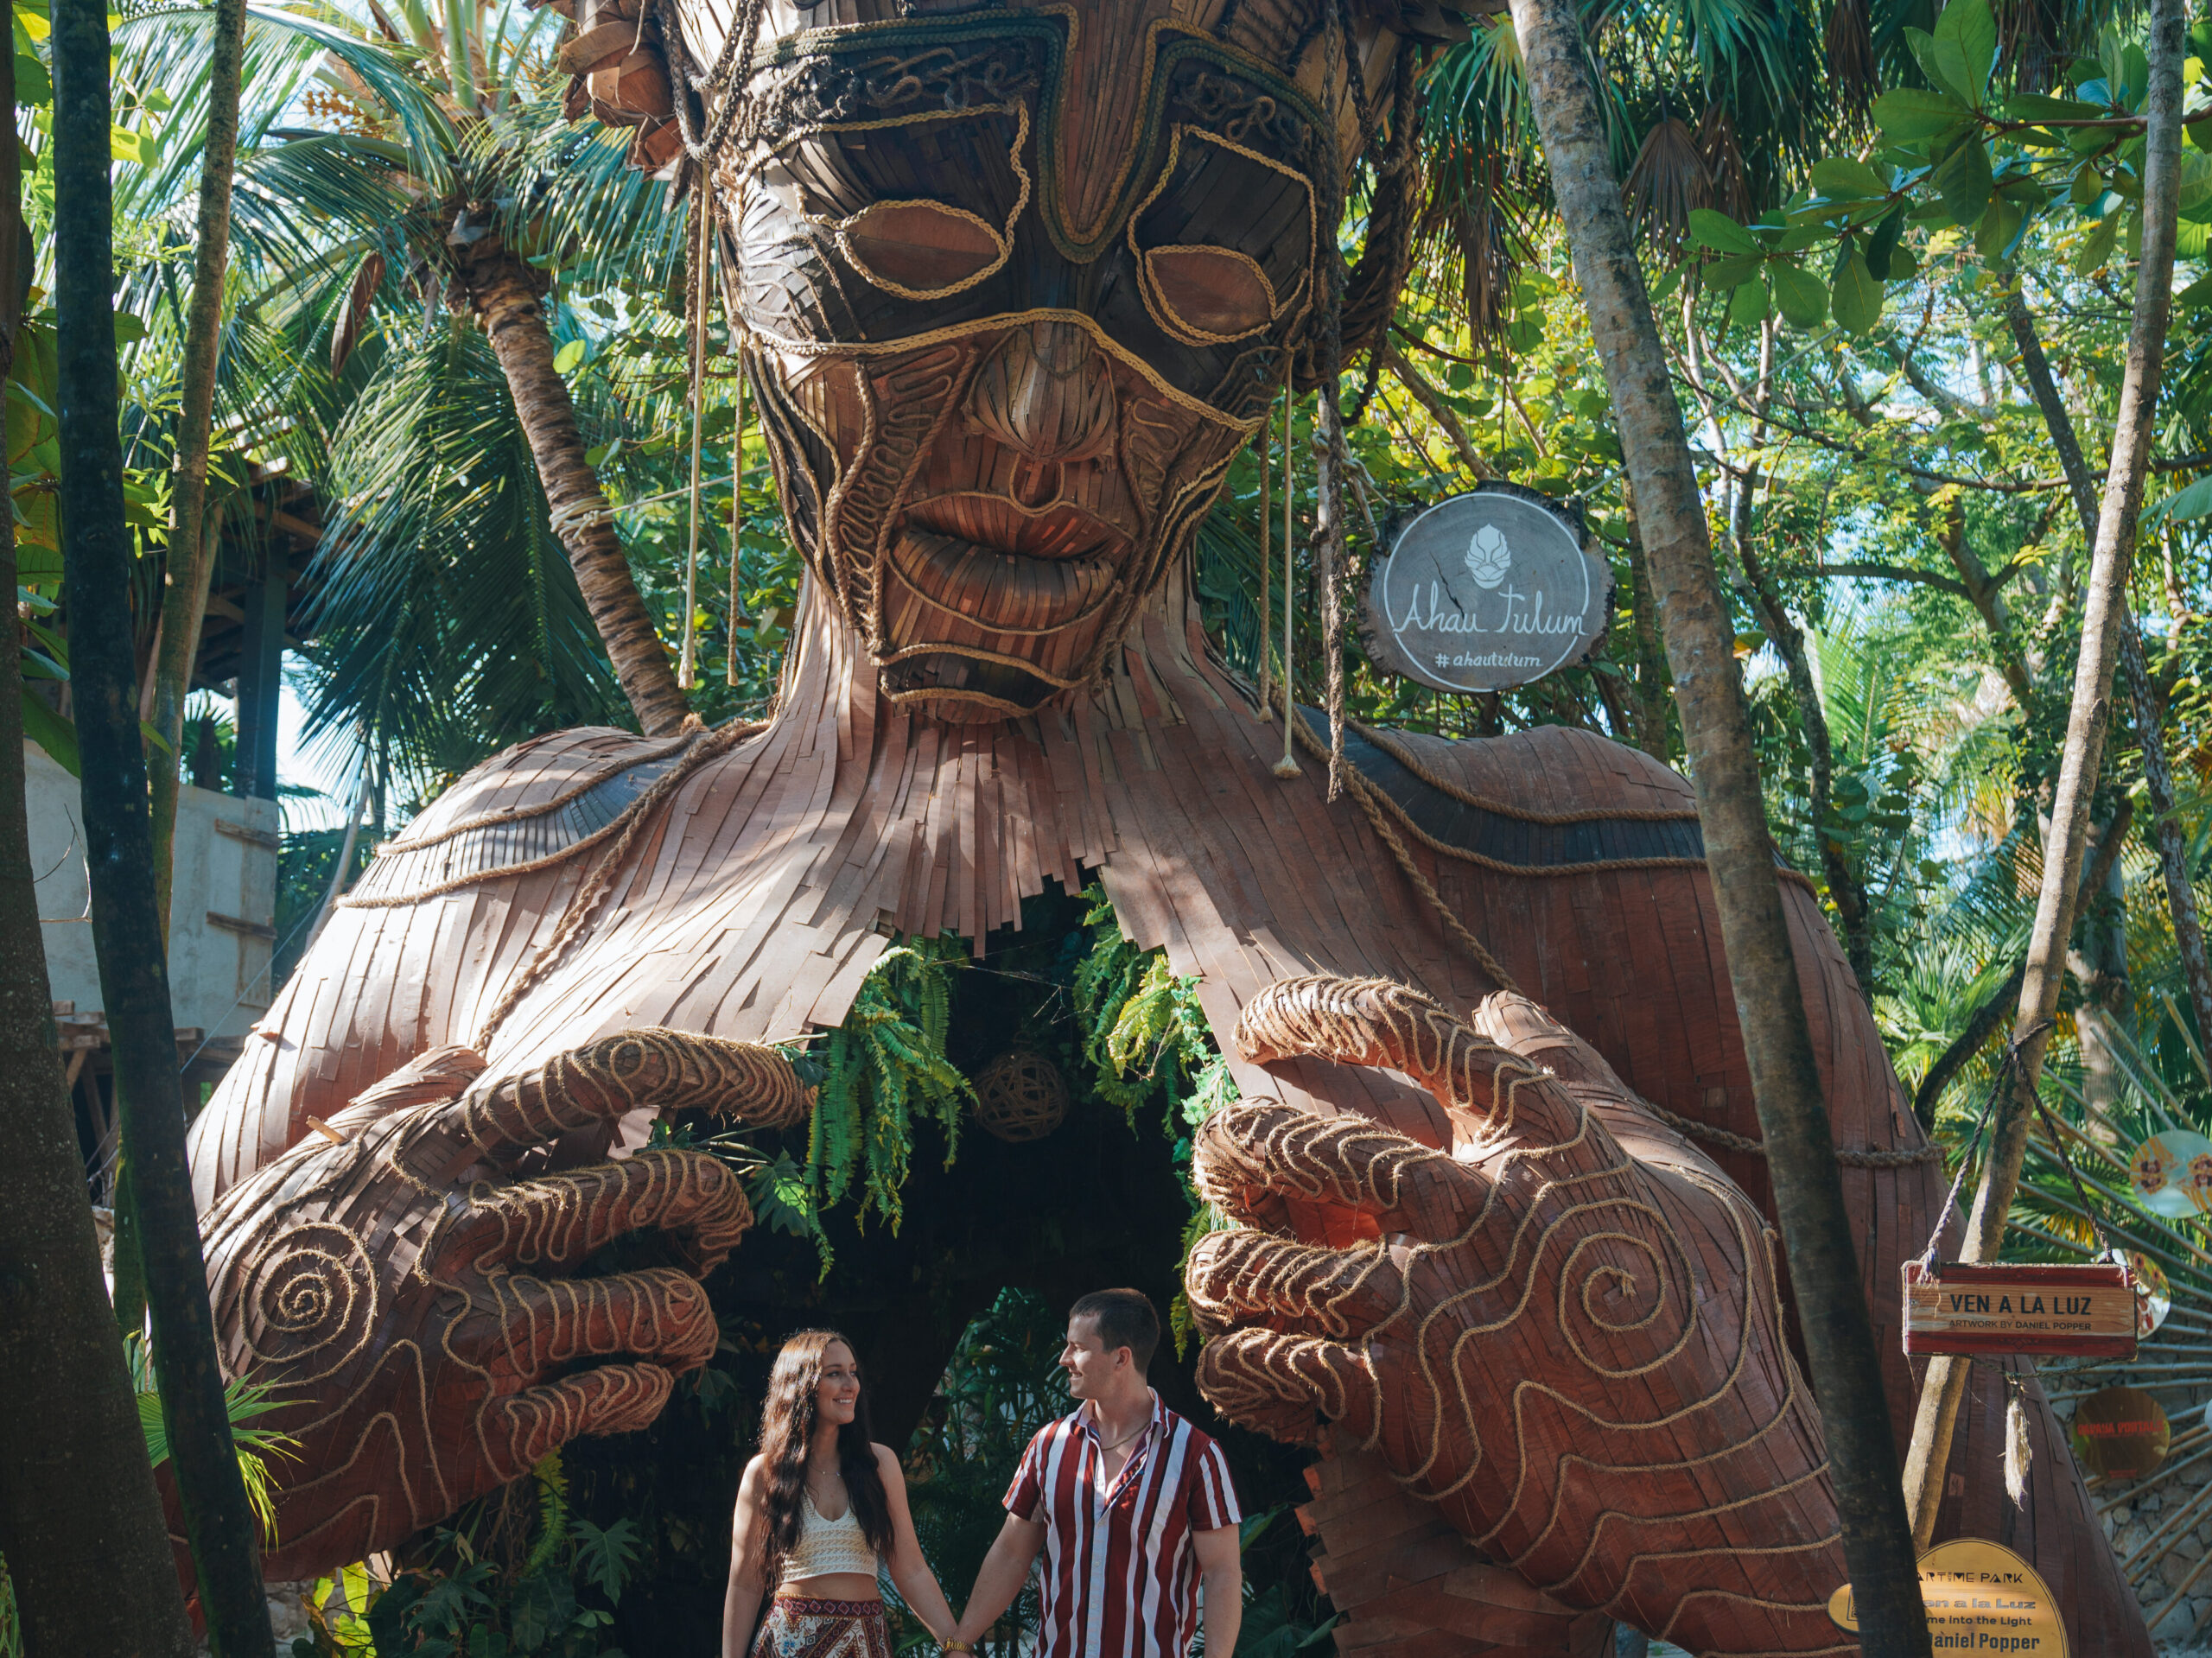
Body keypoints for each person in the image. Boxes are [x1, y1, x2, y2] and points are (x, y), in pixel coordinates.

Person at [951, 1289, 1242, 1657]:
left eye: (1078, 1348)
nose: (1064, 1359)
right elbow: (1011, 1553)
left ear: (1121, 1358)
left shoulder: (1196, 1455)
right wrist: (959, 1644)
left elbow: (1222, 1573)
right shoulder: (1048, 1446)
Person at [722, 1330, 968, 1658]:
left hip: (864, 1643)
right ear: (801, 1384)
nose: (851, 1384)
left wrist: (955, 1646)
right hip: (788, 1646)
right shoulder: (765, 1472)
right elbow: (745, 1584)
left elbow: (911, 1569)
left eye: (853, 1372)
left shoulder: (880, 1464)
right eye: (834, 1374)